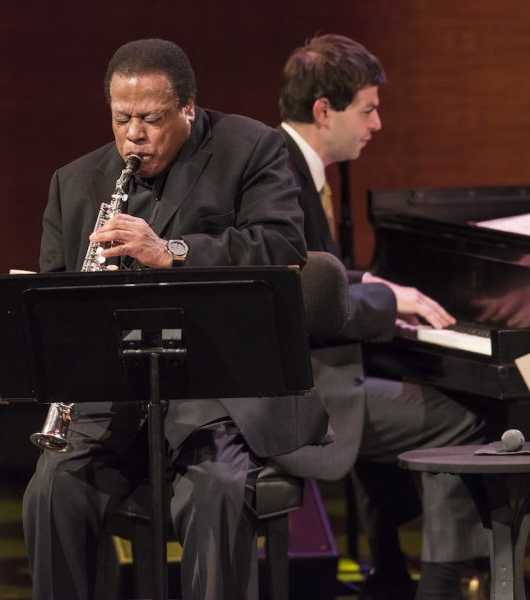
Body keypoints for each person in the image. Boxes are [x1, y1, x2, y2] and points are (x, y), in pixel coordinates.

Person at [24, 38, 329, 600]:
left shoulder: (251, 148)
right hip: (114, 395)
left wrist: (174, 251)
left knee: (215, 491)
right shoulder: (74, 183)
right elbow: (54, 298)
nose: (133, 136)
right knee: (51, 492)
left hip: (218, 392)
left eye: (150, 119)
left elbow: (285, 244)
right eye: (121, 119)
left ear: (188, 107)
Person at [270, 34, 488, 600]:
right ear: (324, 110)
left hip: (307, 371)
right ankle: (438, 586)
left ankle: (389, 572)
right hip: (297, 391)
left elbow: (317, 274)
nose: (378, 124)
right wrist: (391, 302)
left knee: (405, 389)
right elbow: (310, 303)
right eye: (368, 109)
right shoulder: (281, 179)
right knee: (461, 419)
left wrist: (371, 282)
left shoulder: (288, 164)